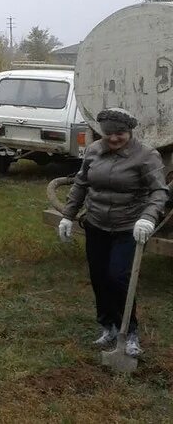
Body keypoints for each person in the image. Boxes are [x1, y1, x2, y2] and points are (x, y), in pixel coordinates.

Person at [58, 108, 169, 357]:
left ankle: (129, 332)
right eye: (109, 134)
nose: (114, 138)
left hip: (128, 227)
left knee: (118, 277)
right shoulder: (95, 151)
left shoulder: (146, 156)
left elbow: (159, 191)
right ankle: (107, 326)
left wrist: (148, 218)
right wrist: (67, 215)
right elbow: (81, 184)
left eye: (120, 133)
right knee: (99, 277)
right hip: (96, 224)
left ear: (129, 131)